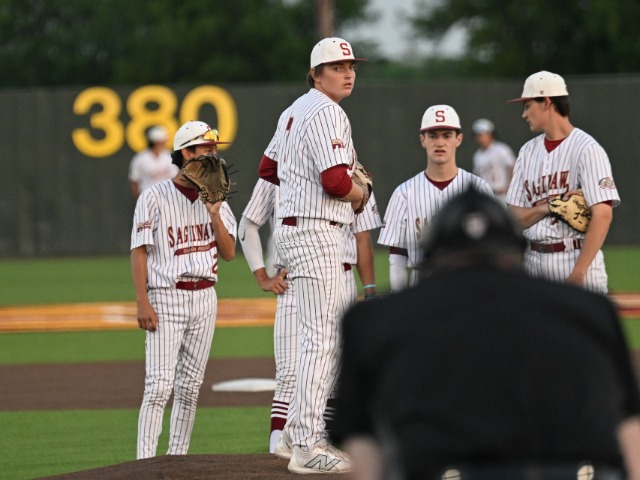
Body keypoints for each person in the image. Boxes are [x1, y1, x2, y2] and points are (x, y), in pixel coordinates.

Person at [332, 188, 640, 480]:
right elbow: (630, 427)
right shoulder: (590, 311)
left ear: (433, 255)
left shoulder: (374, 321)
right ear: (515, 250)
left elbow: (364, 446)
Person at [257, 36, 369, 474]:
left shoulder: (293, 110)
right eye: (337, 67)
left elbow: (268, 168)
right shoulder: (327, 111)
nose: (348, 73)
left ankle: (292, 436)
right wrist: (362, 193)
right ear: (316, 75)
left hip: (300, 230)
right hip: (316, 230)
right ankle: (307, 444)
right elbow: (337, 184)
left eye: (351, 66)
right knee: (320, 340)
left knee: (323, 337)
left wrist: (301, 178)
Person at [238, 178, 382, 456]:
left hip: (342, 278)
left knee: (334, 376)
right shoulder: (275, 175)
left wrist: (370, 290)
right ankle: (278, 456)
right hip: (293, 280)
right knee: (289, 374)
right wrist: (261, 276)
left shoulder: (351, 172)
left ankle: (319, 447)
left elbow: (362, 237)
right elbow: (247, 224)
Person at [130, 120, 237, 459]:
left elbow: (229, 253)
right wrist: (142, 301)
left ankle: (177, 460)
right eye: (206, 148)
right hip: (167, 295)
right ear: (186, 153)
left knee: (190, 388)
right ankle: (146, 463)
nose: (213, 154)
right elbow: (139, 251)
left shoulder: (217, 198)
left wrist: (214, 213)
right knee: (159, 387)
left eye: (215, 148)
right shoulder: (153, 196)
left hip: (205, 297)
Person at [506, 71, 621, 295]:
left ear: (547, 102)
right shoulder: (527, 152)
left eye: (528, 106)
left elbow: (603, 214)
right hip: (534, 263)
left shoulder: (587, 148)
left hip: (576, 259)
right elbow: (513, 216)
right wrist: (548, 207)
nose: (524, 114)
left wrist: (579, 272)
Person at [378, 104, 493, 292]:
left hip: (467, 286)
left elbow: (491, 251)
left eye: (447, 136)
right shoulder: (403, 193)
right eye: (433, 136)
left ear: (458, 139)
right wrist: (400, 299)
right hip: (423, 286)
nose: (440, 143)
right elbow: (397, 257)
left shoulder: (480, 189)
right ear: (422, 140)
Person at [471, 118, 516, 203]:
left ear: (490, 134)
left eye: (481, 134)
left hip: (503, 194)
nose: (478, 138)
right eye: (477, 135)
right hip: (486, 197)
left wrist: (510, 186)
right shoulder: (477, 155)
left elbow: (512, 166)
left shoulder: (501, 149)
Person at [128, 125, 178, 198]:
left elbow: (175, 178)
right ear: (155, 142)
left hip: (166, 197)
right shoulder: (140, 158)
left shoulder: (168, 156)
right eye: (161, 141)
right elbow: (134, 180)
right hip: (148, 197)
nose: (163, 143)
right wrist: (139, 198)